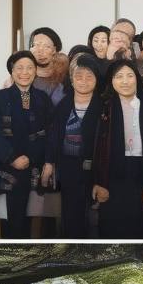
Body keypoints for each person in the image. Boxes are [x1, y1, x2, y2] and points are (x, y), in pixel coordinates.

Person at [91, 60, 143, 238]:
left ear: (137, 79)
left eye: (130, 76)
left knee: (137, 225)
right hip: (112, 173)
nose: (125, 81)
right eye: (119, 76)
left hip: (140, 172)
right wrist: (99, 182)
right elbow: (96, 146)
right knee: (111, 225)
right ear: (111, 81)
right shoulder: (104, 106)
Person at [0, 51, 53, 238]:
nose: (25, 72)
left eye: (30, 67)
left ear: (35, 71)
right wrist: (11, 158)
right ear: (12, 71)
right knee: (10, 219)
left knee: (32, 217)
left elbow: (51, 132)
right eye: (19, 68)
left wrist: (48, 160)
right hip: (9, 167)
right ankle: (9, 258)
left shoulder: (43, 98)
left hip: (36, 166)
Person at [45, 54, 105, 238]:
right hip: (69, 169)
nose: (84, 81)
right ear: (71, 79)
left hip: (97, 169)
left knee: (94, 216)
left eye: (89, 77)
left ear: (97, 79)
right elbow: (53, 136)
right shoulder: (63, 105)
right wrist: (49, 163)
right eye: (79, 77)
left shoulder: (104, 106)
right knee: (71, 216)